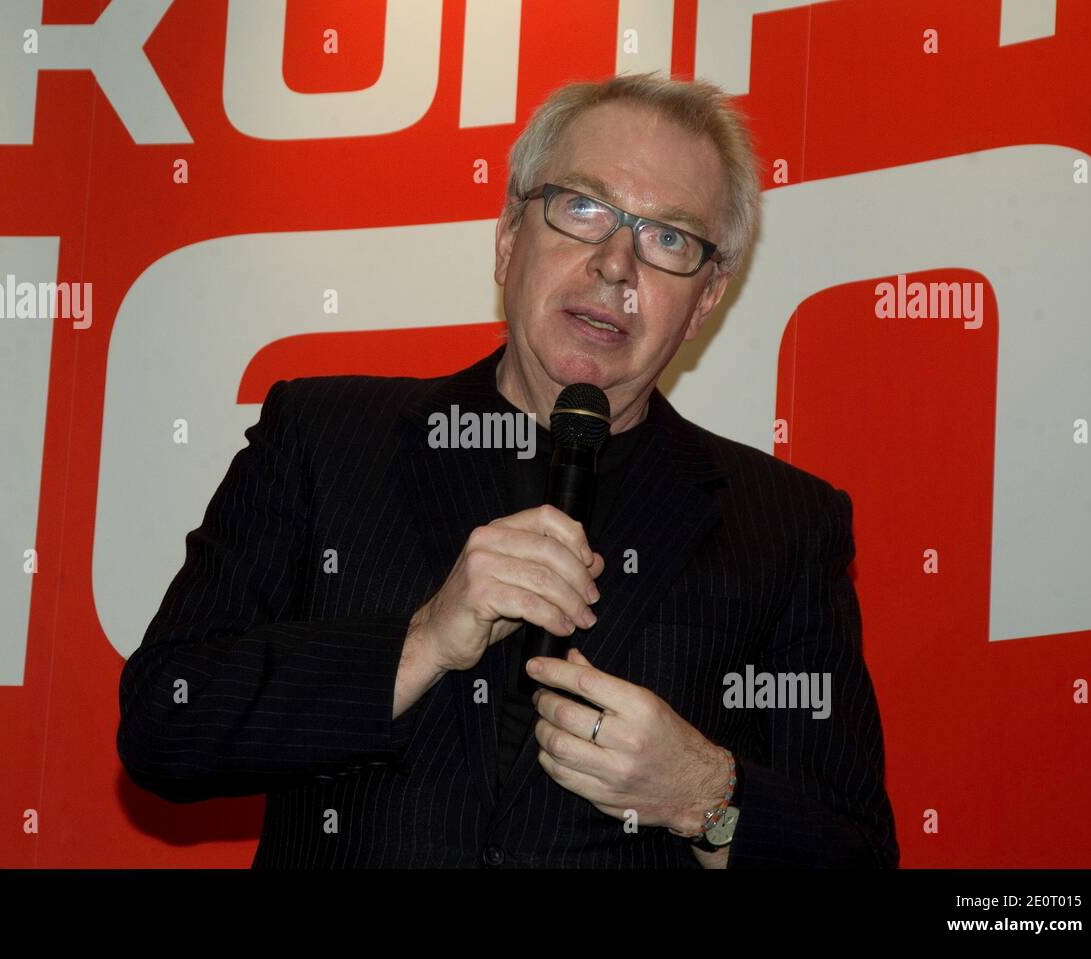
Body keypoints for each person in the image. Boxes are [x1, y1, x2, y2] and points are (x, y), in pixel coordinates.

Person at [116, 72, 899, 869]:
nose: (617, 265)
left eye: (669, 238)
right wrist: (419, 642)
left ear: (704, 302)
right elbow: (163, 721)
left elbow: (859, 858)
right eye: (584, 208)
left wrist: (705, 796)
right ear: (506, 236)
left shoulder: (782, 525)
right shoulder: (323, 438)